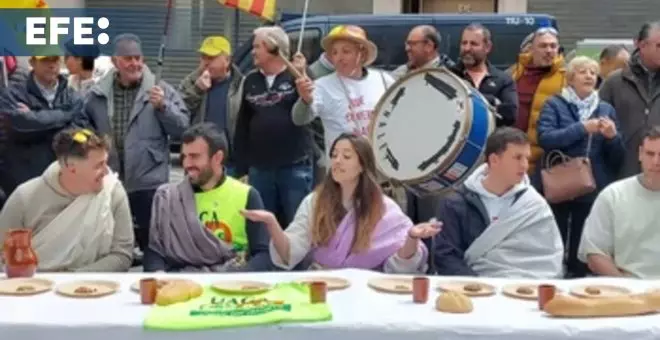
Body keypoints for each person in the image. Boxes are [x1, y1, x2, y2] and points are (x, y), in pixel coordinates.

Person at [241, 133, 440, 272]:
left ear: (362, 165)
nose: (337, 161)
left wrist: (412, 237)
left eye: (346, 156)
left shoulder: (384, 208)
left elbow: (400, 265)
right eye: (334, 155)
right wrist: (272, 224)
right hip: (321, 283)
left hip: (366, 288)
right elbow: (289, 254)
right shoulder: (315, 201)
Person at [78, 33, 189, 254]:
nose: (135, 63)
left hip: (149, 182)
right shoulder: (97, 94)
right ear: (115, 61)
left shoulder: (161, 90)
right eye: (128, 58)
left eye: (138, 58)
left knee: (153, 243)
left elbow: (183, 128)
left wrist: (163, 107)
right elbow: (84, 128)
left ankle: (152, 281)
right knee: (112, 243)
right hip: (110, 180)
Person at [433, 127, 563, 278]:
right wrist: (479, 287)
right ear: (494, 160)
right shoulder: (456, 203)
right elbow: (446, 257)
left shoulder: (534, 205)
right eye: (517, 157)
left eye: (526, 158)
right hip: (471, 290)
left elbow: (549, 257)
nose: (525, 165)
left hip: (526, 291)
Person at [536, 56, 625, 278]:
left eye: (593, 73)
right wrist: (582, 128)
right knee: (553, 237)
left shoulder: (605, 108)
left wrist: (613, 137)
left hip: (592, 186)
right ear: (570, 78)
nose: (588, 76)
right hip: (558, 184)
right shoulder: (554, 104)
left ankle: (576, 279)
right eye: (583, 71)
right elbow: (545, 138)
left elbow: (616, 157)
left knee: (582, 242)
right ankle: (552, 278)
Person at [0, 128, 134, 272]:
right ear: (71, 167)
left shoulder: (112, 192)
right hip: (35, 287)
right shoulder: (24, 197)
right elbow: (3, 255)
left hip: (95, 287)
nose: (106, 171)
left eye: (105, 163)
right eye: (98, 165)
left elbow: (122, 255)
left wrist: (74, 280)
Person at [145, 123, 270, 272]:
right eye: (184, 157)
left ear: (217, 158)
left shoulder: (247, 195)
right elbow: (155, 252)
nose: (187, 164)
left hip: (231, 282)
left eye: (194, 157)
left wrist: (234, 279)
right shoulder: (169, 198)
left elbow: (264, 255)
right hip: (181, 283)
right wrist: (160, 278)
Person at [233, 26, 314, 227]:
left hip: (293, 167)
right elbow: (242, 124)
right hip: (260, 170)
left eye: (257, 46)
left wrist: (305, 88)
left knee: (297, 225)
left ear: (273, 48)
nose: (253, 52)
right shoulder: (250, 80)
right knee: (261, 225)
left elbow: (311, 115)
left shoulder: (299, 77)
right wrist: (241, 168)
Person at [578, 126, 660, 278]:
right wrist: (627, 287)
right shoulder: (613, 195)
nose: (656, 161)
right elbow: (594, 253)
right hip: (626, 290)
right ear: (640, 154)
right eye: (650, 154)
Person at [0, 55, 82, 197]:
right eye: (45, 60)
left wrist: (35, 118)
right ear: (32, 62)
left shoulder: (73, 96)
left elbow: (79, 134)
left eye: (55, 60)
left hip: (65, 185)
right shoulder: (12, 95)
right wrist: (65, 116)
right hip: (25, 186)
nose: (51, 65)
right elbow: (19, 126)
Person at [599, 21, 660, 179]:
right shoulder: (614, 83)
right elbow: (598, 131)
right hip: (621, 175)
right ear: (641, 45)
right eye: (659, 46)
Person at [179, 36, 243, 176]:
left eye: (211, 58)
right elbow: (179, 114)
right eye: (203, 57)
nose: (206, 63)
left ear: (227, 60)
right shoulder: (190, 83)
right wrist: (197, 90)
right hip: (198, 162)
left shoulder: (240, 85)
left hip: (230, 163)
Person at [510, 27, 566, 174]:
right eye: (543, 46)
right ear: (531, 49)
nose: (548, 50)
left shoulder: (566, 78)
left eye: (553, 46)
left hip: (546, 163)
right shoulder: (515, 72)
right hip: (512, 157)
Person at [452, 24, 518, 127]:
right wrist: (492, 101)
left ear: (487, 47)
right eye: (464, 43)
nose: (467, 48)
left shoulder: (503, 80)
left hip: (492, 140)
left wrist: (466, 101)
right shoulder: (450, 76)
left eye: (473, 44)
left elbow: (510, 115)